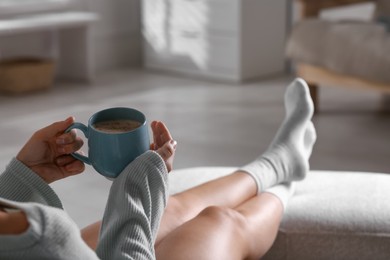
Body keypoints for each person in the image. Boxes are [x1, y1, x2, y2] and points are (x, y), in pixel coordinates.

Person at [0, 78, 316, 260]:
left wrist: (24, 176)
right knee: (218, 220)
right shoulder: (46, 242)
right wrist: (142, 178)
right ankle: (283, 167)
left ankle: (284, 161)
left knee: (172, 209)